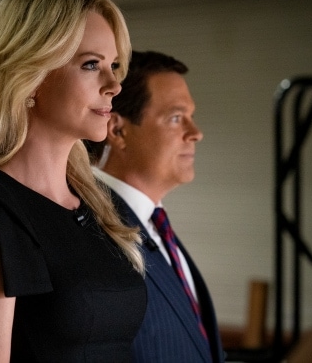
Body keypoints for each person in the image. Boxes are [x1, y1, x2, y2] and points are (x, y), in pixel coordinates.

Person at [0, 0, 147, 362]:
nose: (114, 85)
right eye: (91, 65)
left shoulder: (95, 207)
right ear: (30, 74)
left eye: (113, 66)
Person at [85, 50, 225, 362]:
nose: (196, 133)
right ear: (117, 130)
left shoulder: (153, 222)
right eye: (176, 118)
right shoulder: (88, 227)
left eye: (191, 116)